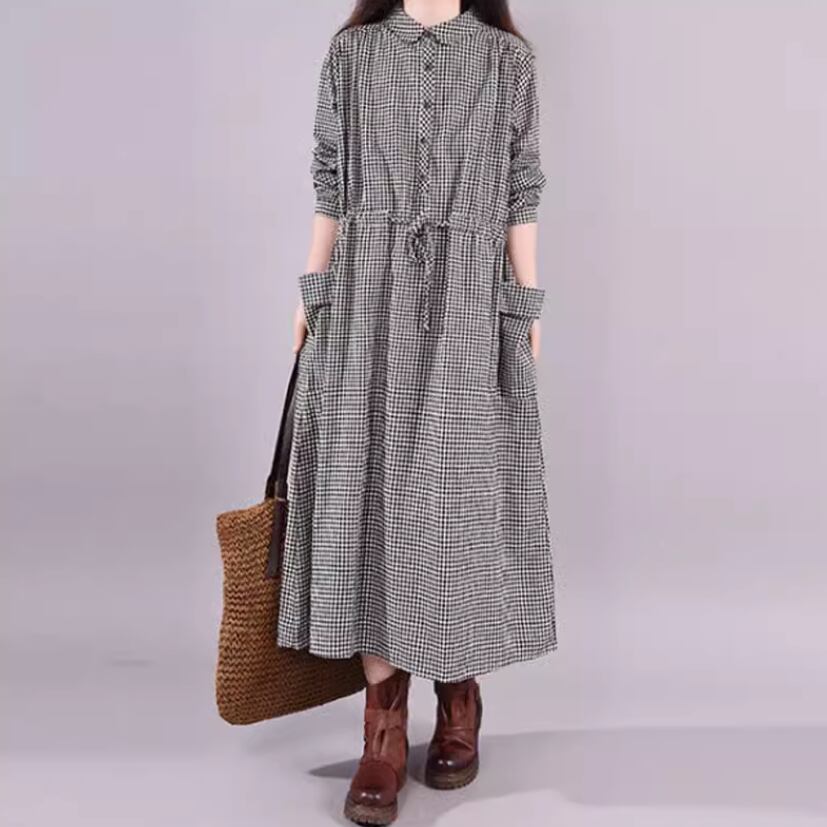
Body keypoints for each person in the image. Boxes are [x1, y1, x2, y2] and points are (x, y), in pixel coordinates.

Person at [277, 1, 557, 823]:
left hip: (467, 294)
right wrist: (312, 290)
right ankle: (384, 724)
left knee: (456, 497)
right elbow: (330, 177)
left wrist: (526, 302)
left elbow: (521, 186)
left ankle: (458, 692)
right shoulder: (353, 55)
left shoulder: (506, 62)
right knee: (367, 498)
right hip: (366, 292)